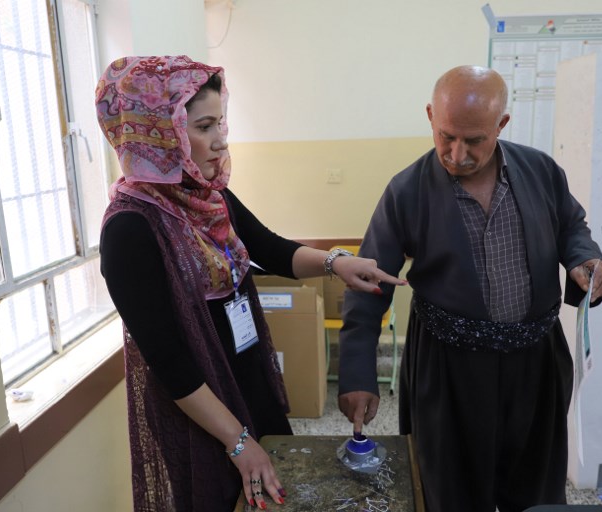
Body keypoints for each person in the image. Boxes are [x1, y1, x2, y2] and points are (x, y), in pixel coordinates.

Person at [95, 55, 404, 512]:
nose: (221, 141)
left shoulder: (206, 195)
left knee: (276, 493)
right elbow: (170, 364)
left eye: (220, 122)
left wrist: (337, 263)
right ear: (157, 134)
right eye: (203, 127)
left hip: (249, 379)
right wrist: (238, 444)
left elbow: (271, 248)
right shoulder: (129, 230)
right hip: (206, 410)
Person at [337, 65, 602, 512]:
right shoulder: (406, 191)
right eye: (446, 136)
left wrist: (585, 258)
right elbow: (368, 285)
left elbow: (570, 225)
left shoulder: (540, 170)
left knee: (536, 491)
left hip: (534, 364)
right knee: (450, 490)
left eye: (474, 140)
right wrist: (356, 374)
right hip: (449, 369)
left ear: (501, 125)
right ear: (430, 115)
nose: (457, 153)